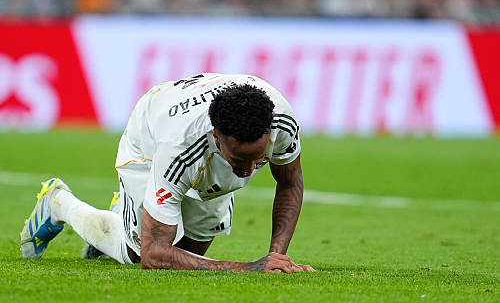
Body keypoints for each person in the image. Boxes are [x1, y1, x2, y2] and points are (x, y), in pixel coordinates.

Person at [19, 73, 315, 273]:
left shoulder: (281, 122)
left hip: (200, 129)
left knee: (191, 250)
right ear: (216, 137)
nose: (249, 171)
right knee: (139, 254)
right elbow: (154, 255)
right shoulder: (179, 148)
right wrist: (248, 268)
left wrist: (277, 257)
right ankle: (59, 203)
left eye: (258, 158)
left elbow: (290, 183)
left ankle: (127, 211)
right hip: (151, 135)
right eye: (240, 159)